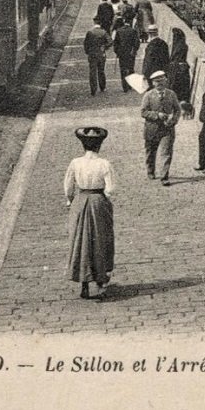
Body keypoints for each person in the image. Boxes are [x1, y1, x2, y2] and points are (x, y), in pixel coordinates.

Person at [64, 126, 115, 299]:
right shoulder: (104, 163)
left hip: (80, 200)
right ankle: (101, 283)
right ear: (99, 146)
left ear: (83, 145)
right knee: (101, 240)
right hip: (98, 201)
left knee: (81, 240)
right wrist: (104, 198)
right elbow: (111, 188)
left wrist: (70, 200)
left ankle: (84, 284)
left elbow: (68, 187)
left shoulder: (75, 163)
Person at [141, 70, 181, 185]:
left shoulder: (171, 94)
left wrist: (173, 120)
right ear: (153, 83)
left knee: (166, 152)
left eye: (162, 81)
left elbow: (177, 110)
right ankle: (150, 171)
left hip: (167, 129)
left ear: (166, 82)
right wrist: (157, 115)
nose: (160, 84)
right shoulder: (148, 96)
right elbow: (143, 112)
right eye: (157, 82)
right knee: (150, 152)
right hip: (151, 129)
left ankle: (164, 176)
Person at [83, 16, 111, 96]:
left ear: (94, 22)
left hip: (92, 54)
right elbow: (110, 41)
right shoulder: (103, 32)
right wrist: (104, 47)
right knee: (101, 71)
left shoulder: (90, 32)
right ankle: (102, 87)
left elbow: (86, 44)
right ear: (100, 23)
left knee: (92, 72)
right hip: (101, 54)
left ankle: (93, 89)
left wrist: (88, 52)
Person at [112, 17, 139, 92]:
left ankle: (125, 86)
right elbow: (137, 42)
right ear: (130, 23)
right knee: (131, 68)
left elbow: (115, 43)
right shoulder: (133, 31)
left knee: (123, 69)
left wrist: (117, 52)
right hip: (131, 53)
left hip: (122, 54)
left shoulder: (119, 31)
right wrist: (135, 50)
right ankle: (130, 84)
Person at [167, 27, 192, 105]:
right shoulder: (183, 45)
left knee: (175, 86)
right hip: (179, 69)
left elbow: (177, 58)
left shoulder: (179, 46)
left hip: (177, 70)